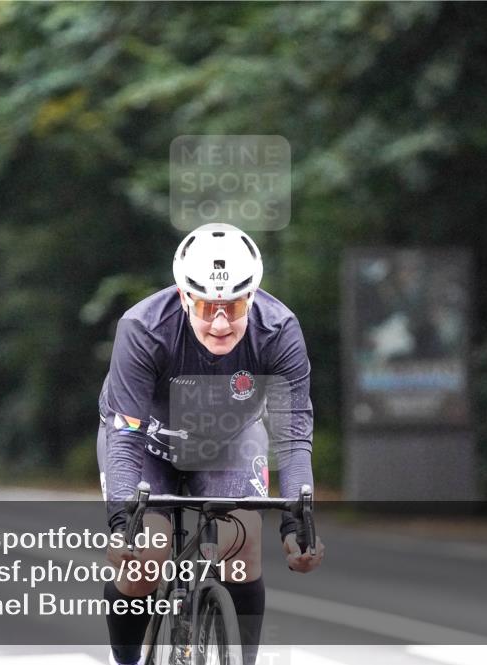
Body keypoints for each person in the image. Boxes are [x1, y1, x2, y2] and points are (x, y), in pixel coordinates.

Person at [97, 223, 324, 665]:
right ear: (184, 296)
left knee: (242, 547)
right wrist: (122, 526)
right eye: (205, 306)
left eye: (234, 306)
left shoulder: (279, 330)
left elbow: (293, 435)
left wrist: (298, 526)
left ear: (252, 297)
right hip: (148, 442)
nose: (220, 323)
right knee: (145, 558)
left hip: (229, 440)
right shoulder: (143, 328)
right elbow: (125, 437)